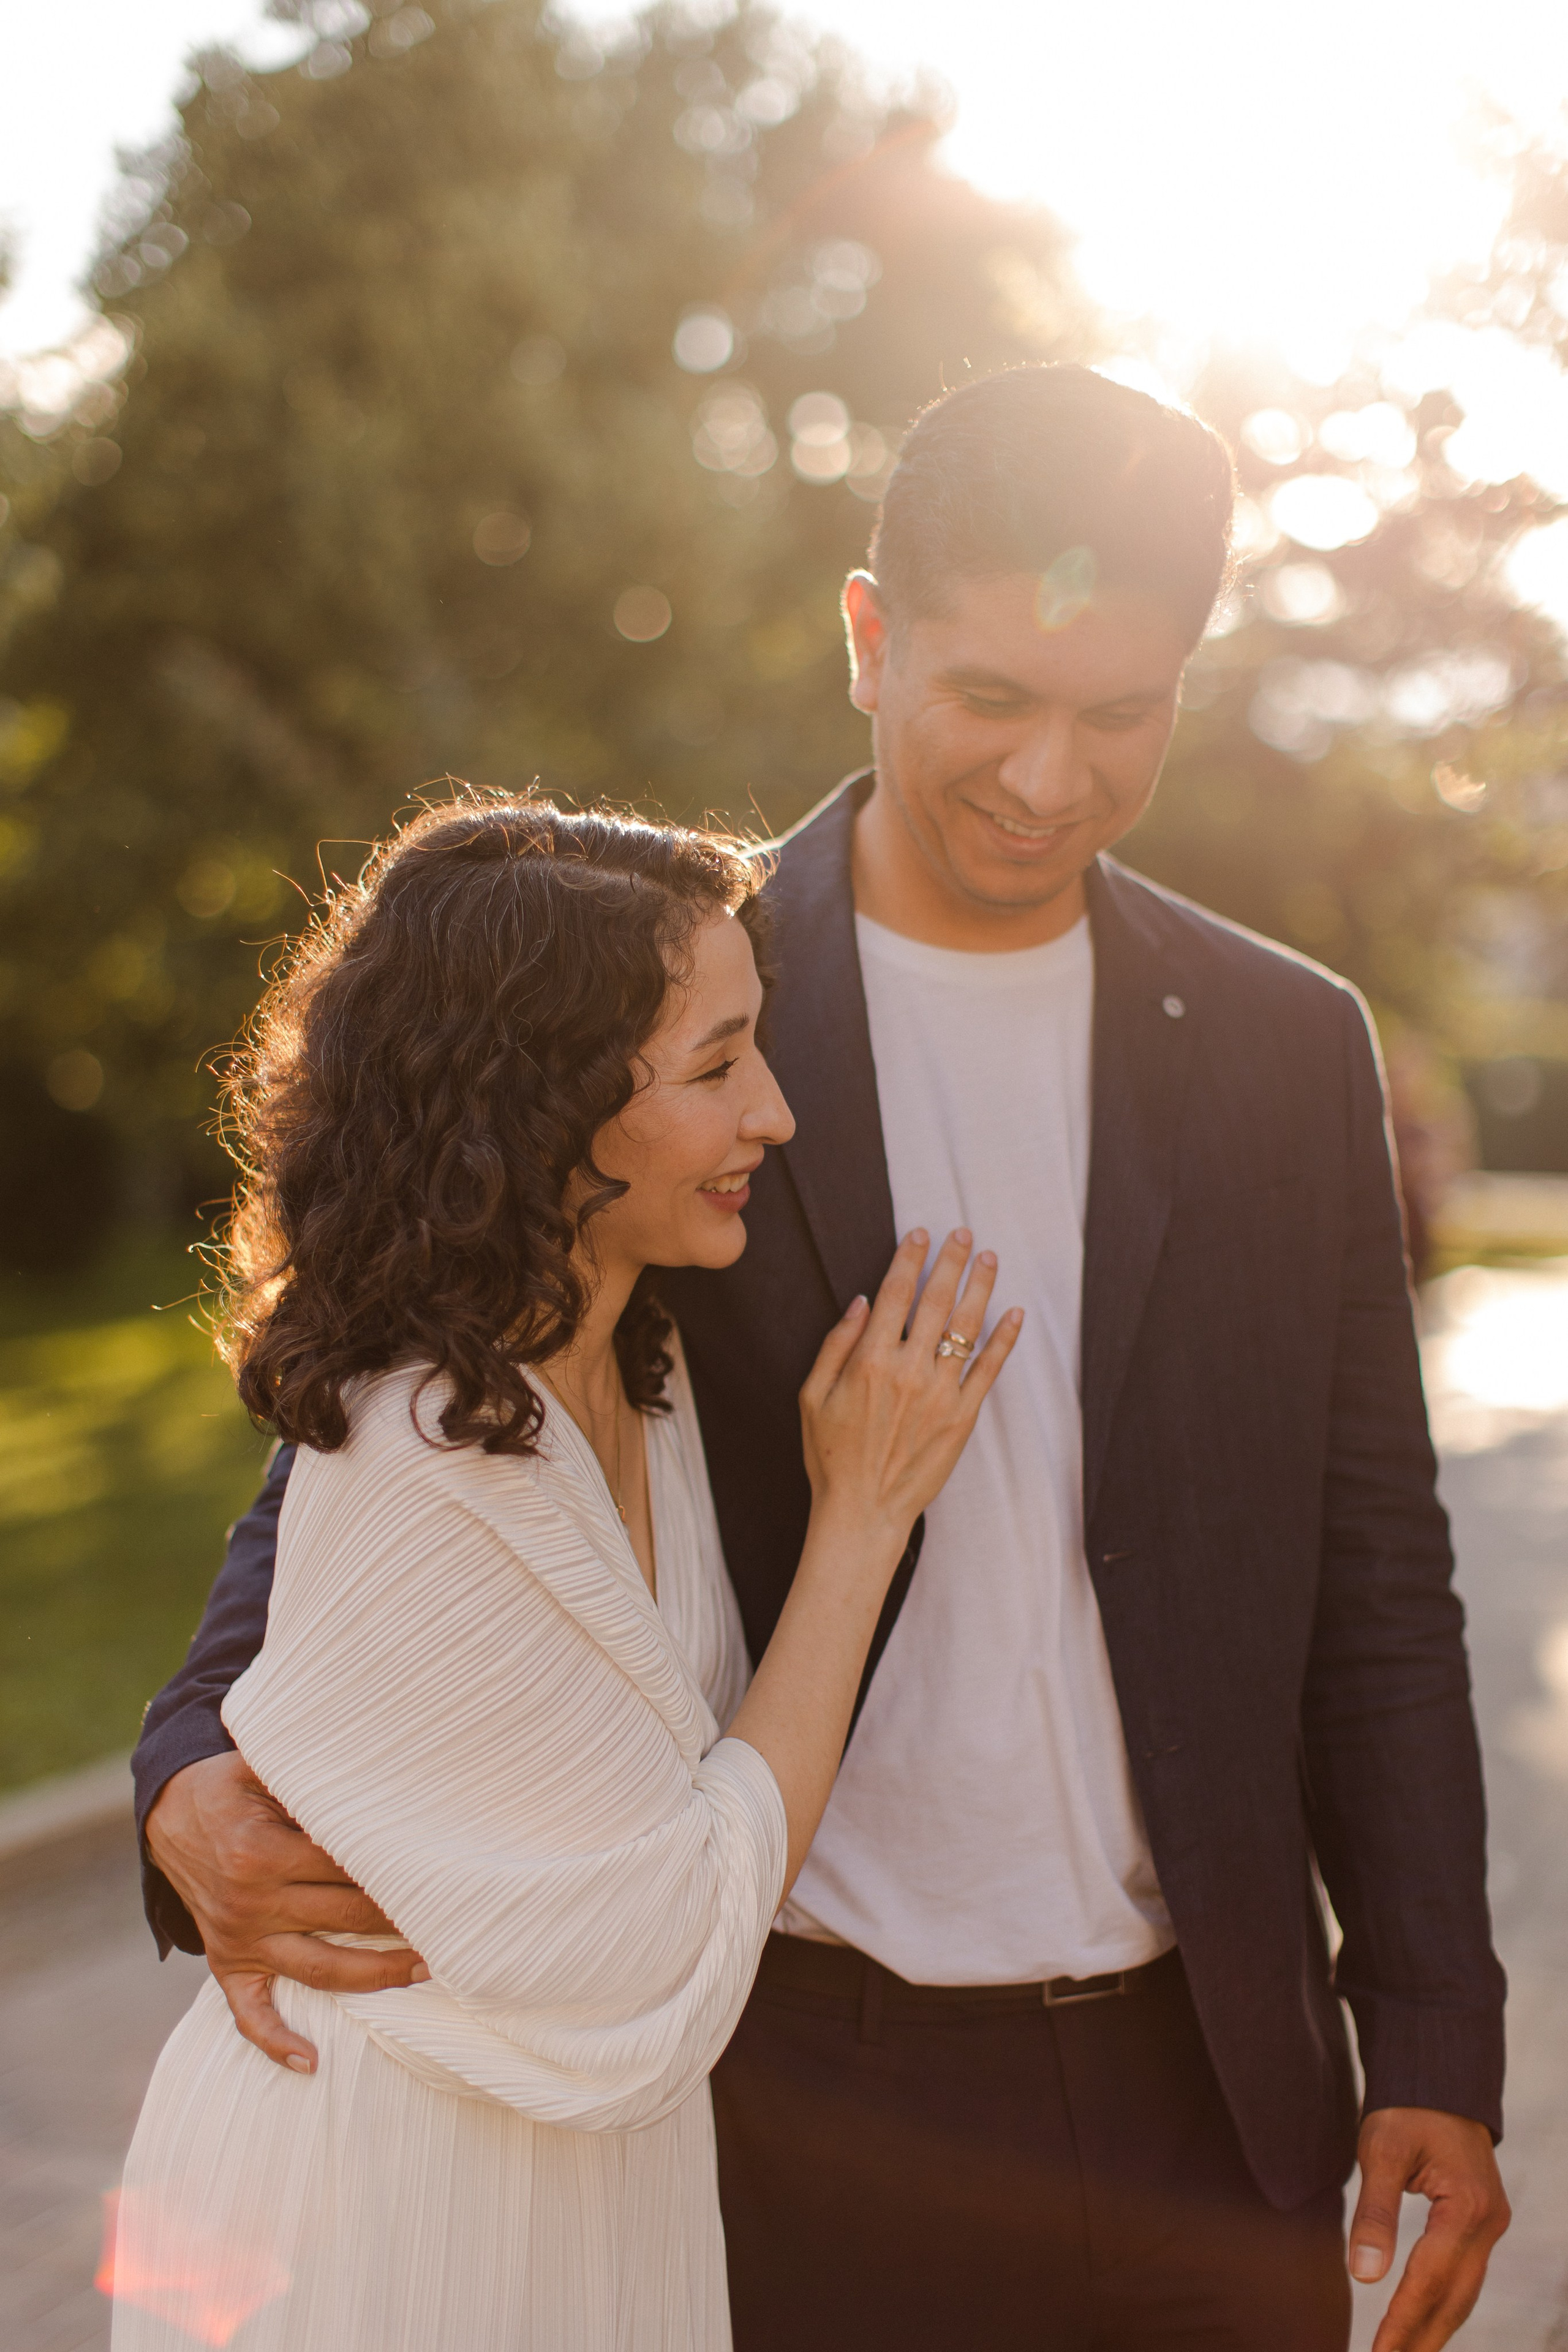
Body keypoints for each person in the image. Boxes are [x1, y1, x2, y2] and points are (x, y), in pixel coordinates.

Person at [133, 364, 1510, 2352]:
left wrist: (1437, 2040)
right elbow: (385, 1394)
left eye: (1119, 714)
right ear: (868, 638)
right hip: (797, 2103)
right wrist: (186, 1766)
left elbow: (1382, 1576)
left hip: (1219, 2088)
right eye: (992, 701)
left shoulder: (1293, 1050)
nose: (1051, 778)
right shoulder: (666, 995)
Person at [109, 800, 1017, 2351]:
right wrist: (860, 1520)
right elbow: (665, 1952)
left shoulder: (632, 1371)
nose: (776, 1115)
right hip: (388, 2226)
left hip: (573, 2190)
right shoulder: (431, 1458)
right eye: (717, 1067)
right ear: (541, 1108)